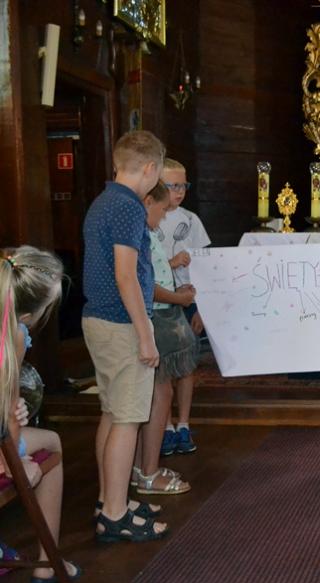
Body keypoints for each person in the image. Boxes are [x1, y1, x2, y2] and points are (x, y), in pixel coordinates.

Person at [82, 130, 168, 543]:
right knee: (128, 418)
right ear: (150, 168)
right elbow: (126, 276)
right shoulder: (129, 206)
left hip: (98, 319)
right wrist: (145, 333)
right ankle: (115, 516)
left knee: (112, 413)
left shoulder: (103, 200)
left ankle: (108, 499)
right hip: (121, 323)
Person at [0, 246, 82, 583]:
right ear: (30, 314)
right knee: (52, 446)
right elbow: (7, 414)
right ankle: (48, 563)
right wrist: (16, 465)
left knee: (39, 433)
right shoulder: (14, 336)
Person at [132, 181, 193, 496]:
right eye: (161, 210)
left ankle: (141, 468)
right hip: (154, 315)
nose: (163, 217)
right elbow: (147, 285)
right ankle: (148, 470)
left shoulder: (148, 233)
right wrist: (177, 298)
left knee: (155, 392)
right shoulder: (141, 235)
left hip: (159, 312)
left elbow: (156, 274)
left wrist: (175, 290)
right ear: (147, 202)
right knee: (159, 393)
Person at [156, 158, 209, 457]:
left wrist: (202, 307)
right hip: (161, 302)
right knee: (164, 367)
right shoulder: (150, 218)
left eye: (183, 185)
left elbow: (204, 266)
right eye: (172, 185)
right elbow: (144, 267)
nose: (179, 191)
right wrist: (172, 262)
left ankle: (184, 424)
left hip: (189, 300)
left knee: (187, 365)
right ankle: (164, 425)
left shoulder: (190, 220)